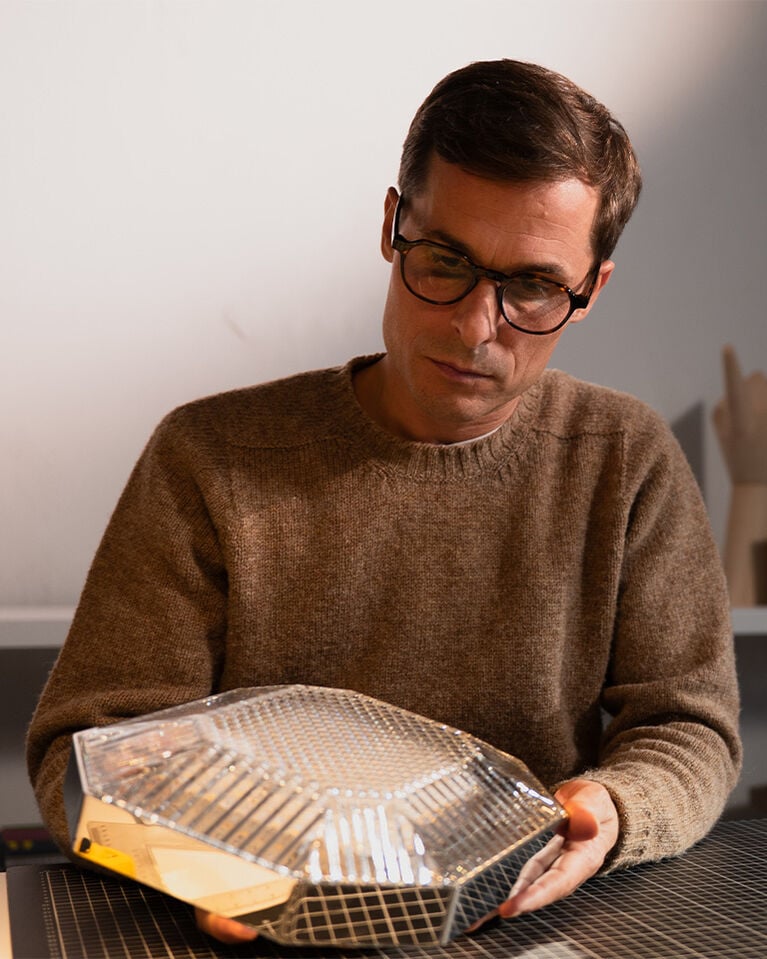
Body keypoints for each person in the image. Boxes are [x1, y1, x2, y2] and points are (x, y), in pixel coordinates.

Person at [27, 58, 741, 946]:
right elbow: (87, 746)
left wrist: (607, 810)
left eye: (530, 287)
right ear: (391, 226)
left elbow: (686, 729)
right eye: (444, 260)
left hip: (529, 918)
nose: (475, 325)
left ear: (589, 290)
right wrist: (214, 870)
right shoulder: (209, 457)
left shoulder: (624, 459)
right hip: (247, 923)